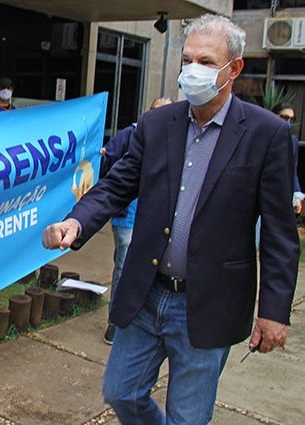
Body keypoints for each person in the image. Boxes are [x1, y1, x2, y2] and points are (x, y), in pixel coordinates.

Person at [42, 14, 298, 425]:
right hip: (147, 292)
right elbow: (117, 184)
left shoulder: (266, 134)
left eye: (206, 61)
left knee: (188, 417)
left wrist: (273, 311)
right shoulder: (158, 123)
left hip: (208, 302)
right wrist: (77, 222)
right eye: (187, 59)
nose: (193, 70)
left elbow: (280, 234)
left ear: (234, 68)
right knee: (121, 392)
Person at [100, 97, 173, 345]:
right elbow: (108, 162)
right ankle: (115, 321)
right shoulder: (131, 135)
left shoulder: (178, 141)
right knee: (124, 265)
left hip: (158, 217)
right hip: (128, 217)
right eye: (156, 113)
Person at [272, 102, 304, 214]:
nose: (288, 122)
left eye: (292, 119)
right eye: (285, 117)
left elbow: (292, 170)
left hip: (282, 196)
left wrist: (297, 195)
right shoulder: (261, 137)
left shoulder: (293, 141)